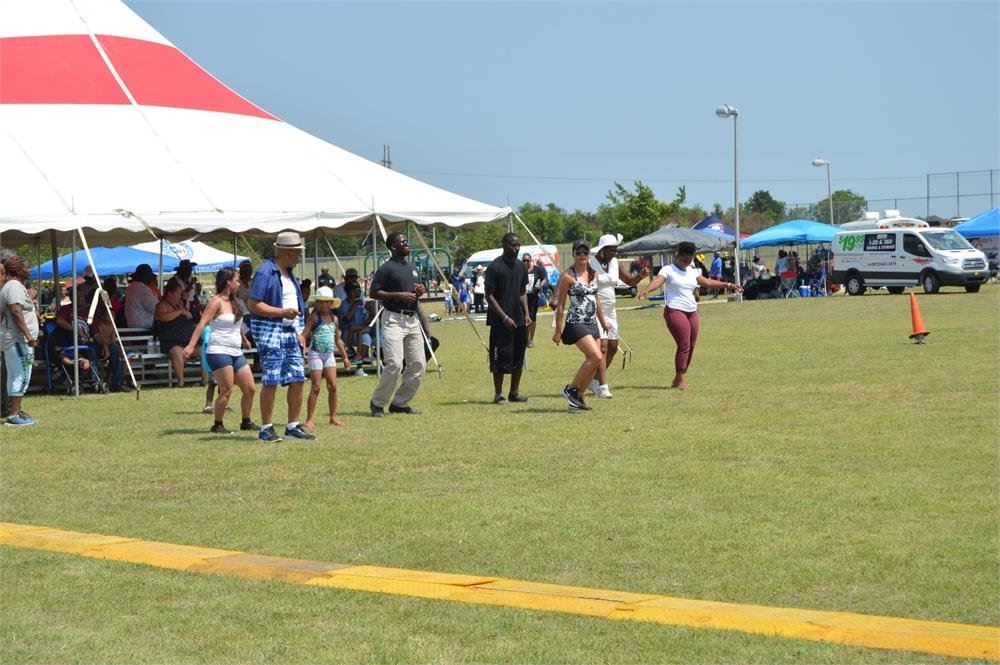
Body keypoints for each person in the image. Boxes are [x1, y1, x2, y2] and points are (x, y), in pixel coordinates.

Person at [637, 241, 742, 390]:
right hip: (675, 310)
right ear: (677, 255)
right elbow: (658, 281)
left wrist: (729, 285)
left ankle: (678, 377)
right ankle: (681, 380)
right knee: (684, 344)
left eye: (689, 260)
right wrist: (647, 290)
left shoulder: (692, 271)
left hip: (692, 311)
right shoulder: (668, 270)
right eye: (684, 260)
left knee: (691, 345)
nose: (686, 263)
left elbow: (707, 282)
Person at [248, 232, 315, 441]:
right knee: (271, 380)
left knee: (298, 378)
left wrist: (299, 333)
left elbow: (293, 306)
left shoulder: (288, 273)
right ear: (286, 252)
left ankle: (293, 426)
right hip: (270, 333)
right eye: (297, 253)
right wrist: (281, 312)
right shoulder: (265, 273)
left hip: (289, 333)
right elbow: (254, 304)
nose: (299, 257)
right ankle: (266, 428)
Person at [184, 267, 258, 435]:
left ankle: (246, 422)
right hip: (218, 350)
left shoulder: (236, 302)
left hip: (235, 351)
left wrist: (245, 339)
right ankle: (217, 425)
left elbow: (236, 323)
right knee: (227, 389)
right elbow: (202, 324)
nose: (239, 283)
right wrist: (191, 345)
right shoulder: (216, 301)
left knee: (250, 388)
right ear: (228, 282)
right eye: (236, 280)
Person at [368, 232, 427, 417]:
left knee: (418, 364)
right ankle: (377, 403)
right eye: (403, 242)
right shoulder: (386, 269)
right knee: (394, 364)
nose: (407, 243)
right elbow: (373, 293)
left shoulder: (412, 267)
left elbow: (415, 290)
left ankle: (400, 402)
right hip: (394, 319)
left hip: (412, 319)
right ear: (393, 247)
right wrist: (398, 296)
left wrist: (420, 290)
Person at [552, 240, 610, 413]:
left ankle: (577, 400)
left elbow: (596, 299)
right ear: (573, 254)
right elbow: (561, 305)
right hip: (576, 322)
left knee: (595, 361)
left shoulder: (594, 275)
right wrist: (558, 331)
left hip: (592, 322)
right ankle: (571, 389)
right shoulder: (568, 276)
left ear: (590, 254)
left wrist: (603, 321)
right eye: (579, 251)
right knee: (596, 356)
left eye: (586, 251)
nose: (582, 255)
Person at [588, 233, 649, 399]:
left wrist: (641, 276)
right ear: (602, 250)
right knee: (603, 348)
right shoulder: (590, 264)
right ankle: (603, 386)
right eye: (611, 250)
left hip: (611, 310)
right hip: (595, 309)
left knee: (613, 348)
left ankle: (593, 380)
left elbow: (629, 281)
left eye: (615, 250)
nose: (614, 253)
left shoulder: (616, 263)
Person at [485, 233, 531, 404]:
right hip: (500, 321)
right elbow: (489, 296)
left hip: (519, 319)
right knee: (500, 357)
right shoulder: (495, 267)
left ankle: (514, 392)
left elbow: (522, 292)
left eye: (518, 245)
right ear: (504, 245)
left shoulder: (521, 267)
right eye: (513, 245)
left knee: (519, 356)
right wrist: (504, 317)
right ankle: (498, 394)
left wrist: (526, 313)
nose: (516, 248)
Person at [304, 286, 351, 428]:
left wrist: (345, 357)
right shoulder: (314, 317)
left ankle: (333, 417)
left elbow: (338, 339)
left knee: (333, 386)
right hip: (316, 354)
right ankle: (309, 419)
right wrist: (302, 348)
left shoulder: (334, 319)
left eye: (326, 302)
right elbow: (304, 334)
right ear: (316, 303)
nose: (323, 304)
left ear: (331, 303)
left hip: (329, 354)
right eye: (320, 302)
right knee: (316, 387)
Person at [0, 255, 40, 425]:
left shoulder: (12, 286)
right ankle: (13, 414)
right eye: (27, 266)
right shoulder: (14, 286)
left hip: (16, 340)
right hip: (18, 340)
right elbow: (16, 311)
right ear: (18, 268)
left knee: (18, 374)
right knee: (22, 374)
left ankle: (15, 410)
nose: (29, 270)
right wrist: (29, 336)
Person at [155, 280, 197, 387]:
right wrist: (180, 312)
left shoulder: (180, 304)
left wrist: (185, 305)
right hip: (171, 340)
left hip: (186, 338)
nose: (179, 296)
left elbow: (189, 315)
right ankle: (181, 381)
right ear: (169, 294)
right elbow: (163, 317)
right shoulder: (161, 305)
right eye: (178, 293)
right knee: (176, 351)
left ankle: (205, 381)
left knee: (203, 348)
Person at [338, 283, 374, 375]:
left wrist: (370, 308)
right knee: (360, 335)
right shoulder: (344, 304)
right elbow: (346, 319)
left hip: (360, 329)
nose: (360, 292)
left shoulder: (362, 302)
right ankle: (355, 356)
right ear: (352, 292)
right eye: (358, 290)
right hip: (348, 332)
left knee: (366, 338)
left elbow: (367, 317)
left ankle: (360, 363)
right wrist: (354, 306)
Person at [522, 253, 549, 348]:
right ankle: (524, 339)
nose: (525, 262)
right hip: (522, 297)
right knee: (523, 319)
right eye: (524, 260)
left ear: (531, 260)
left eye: (527, 260)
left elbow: (545, 279)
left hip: (533, 298)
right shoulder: (520, 270)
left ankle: (531, 339)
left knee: (532, 319)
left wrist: (540, 285)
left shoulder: (537, 269)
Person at [124, 263, 160, 330]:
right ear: (146, 277)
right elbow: (157, 309)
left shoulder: (132, 286)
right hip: (143, 327)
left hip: (133, 325)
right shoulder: (142, 289)